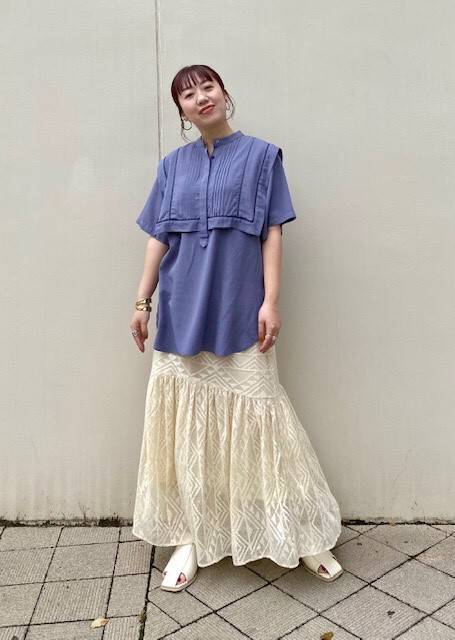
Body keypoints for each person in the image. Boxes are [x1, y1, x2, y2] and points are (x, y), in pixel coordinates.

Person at [130, 64, 343, 592]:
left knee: (264, 418)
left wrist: (270, 301)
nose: (201, 97)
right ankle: (189, 536)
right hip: (182, 310)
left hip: (240, 307)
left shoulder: (263, 157)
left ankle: (299, 533)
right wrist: (142, 301)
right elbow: (159, 237)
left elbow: (272, 233)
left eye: (208, 86)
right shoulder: (172, 167)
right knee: (185, 430)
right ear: (181, 111)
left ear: (225, 93)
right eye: (188, 94)